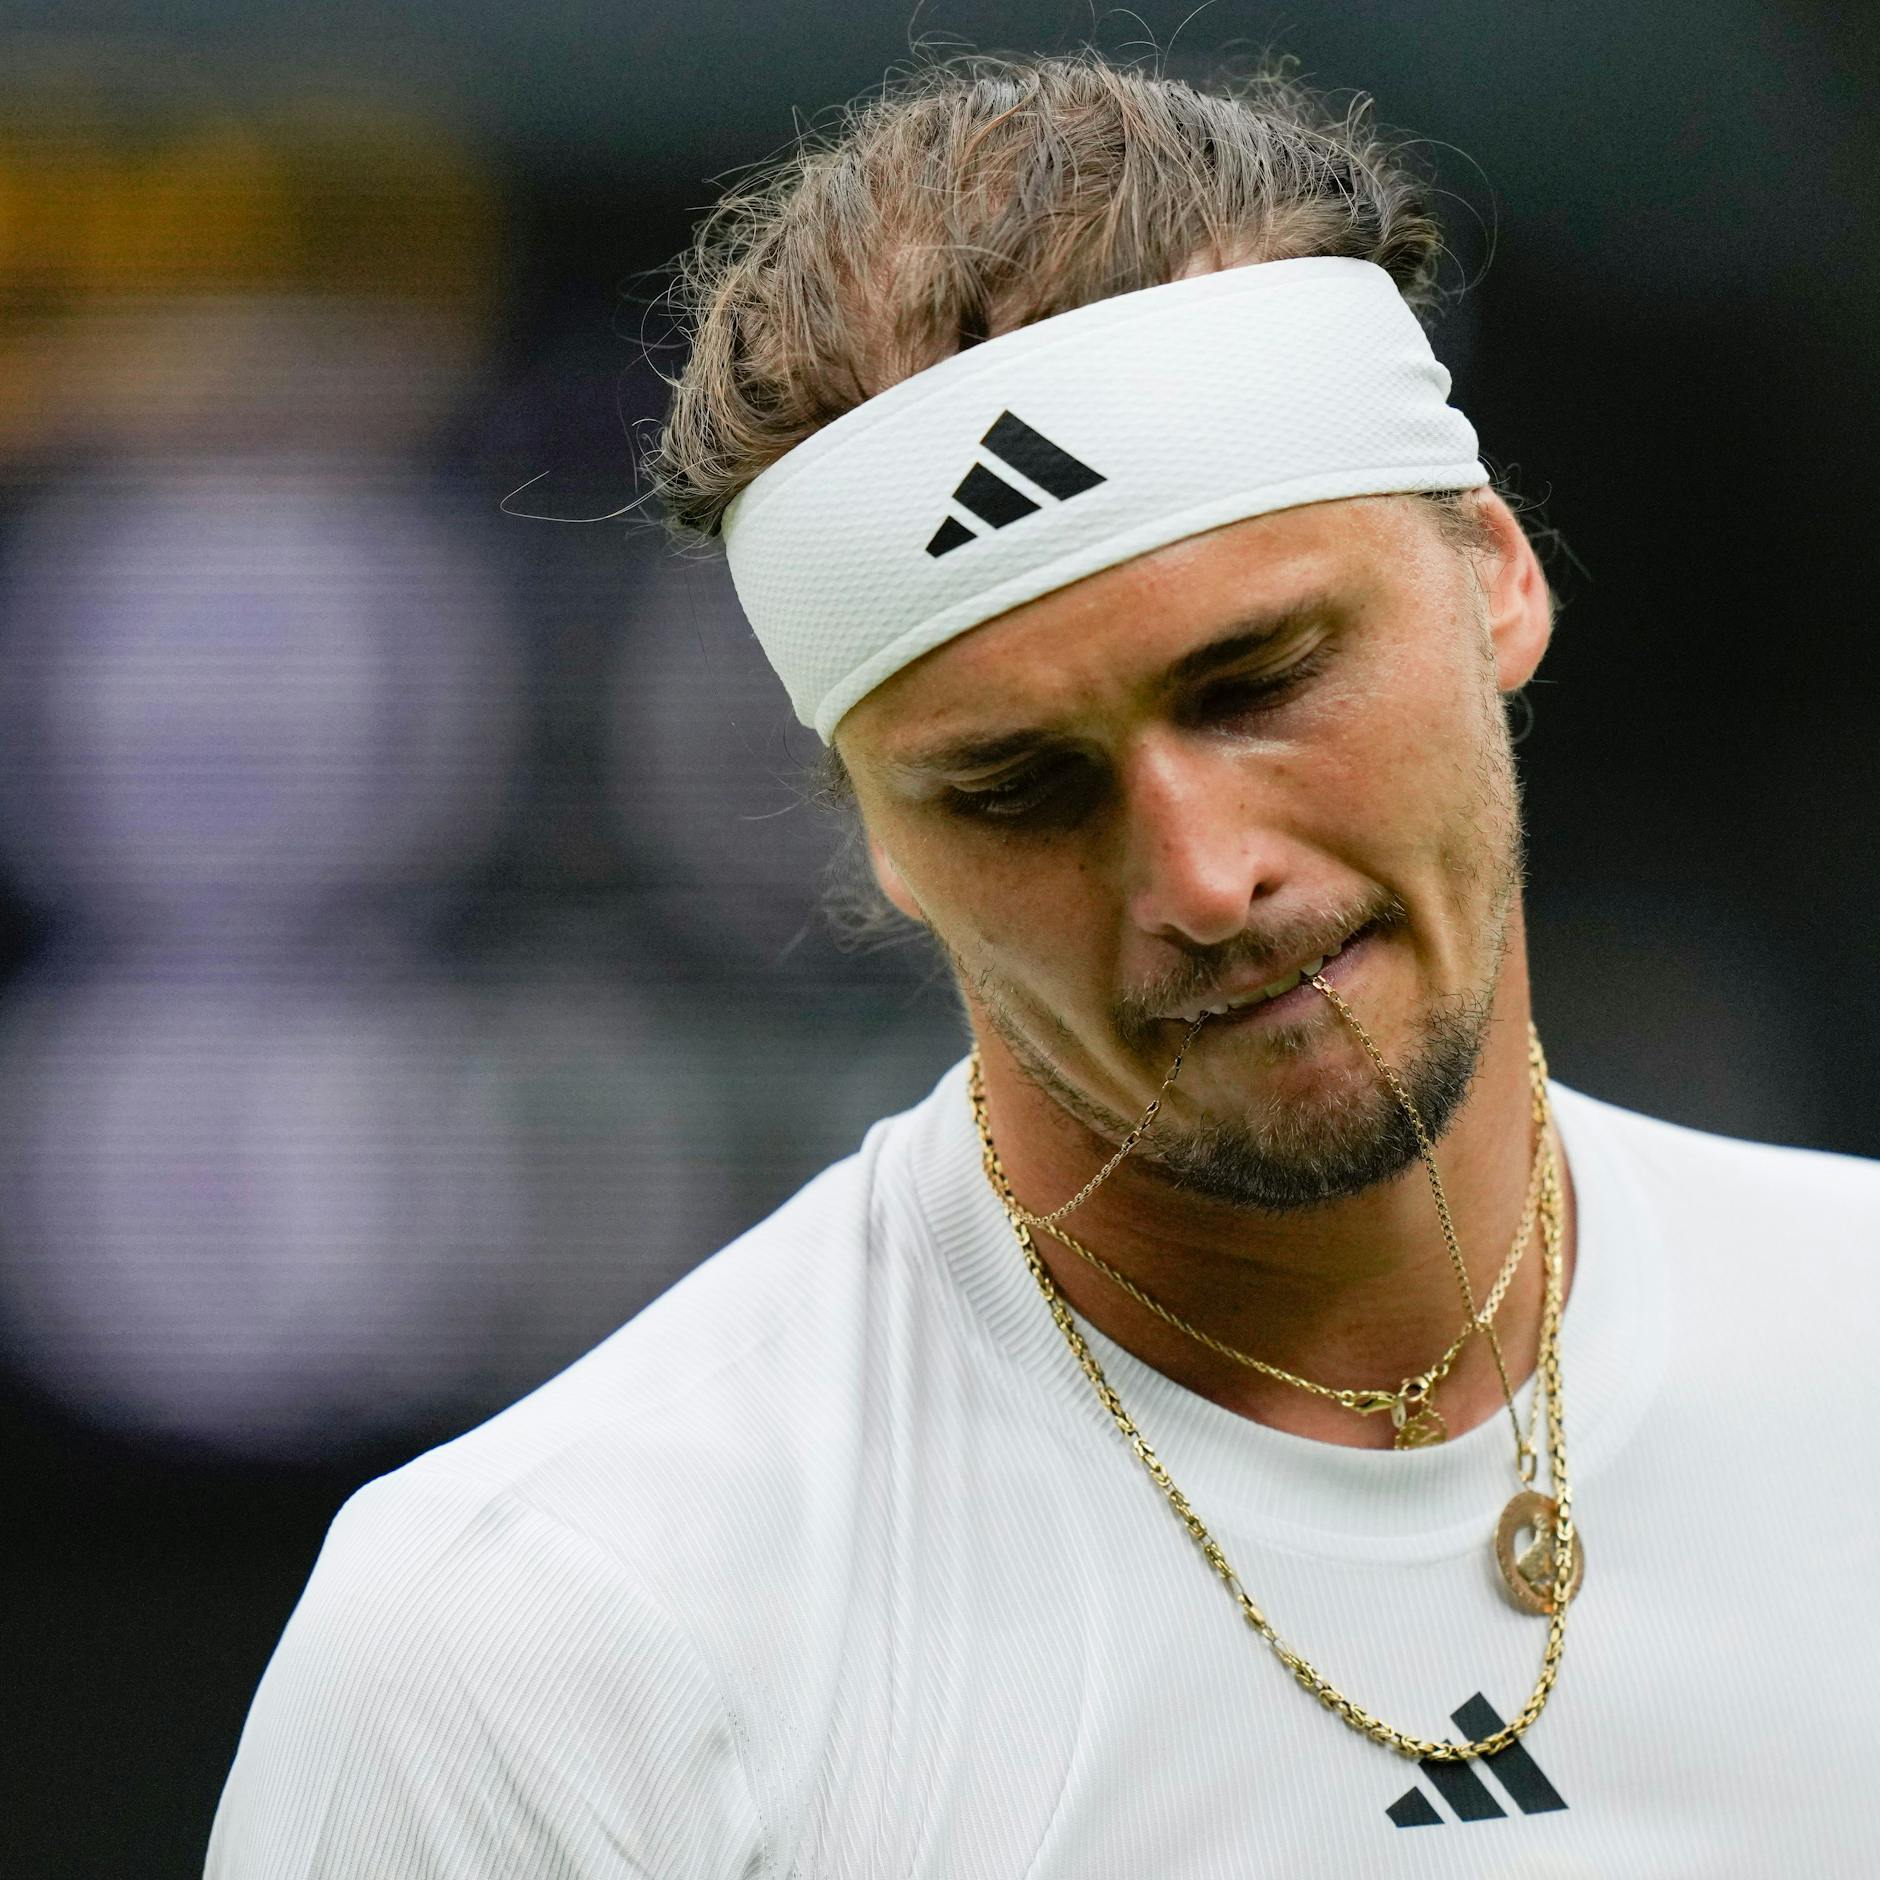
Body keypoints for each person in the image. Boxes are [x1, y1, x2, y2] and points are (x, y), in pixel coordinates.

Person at [207, 54, 1880, 1878]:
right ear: (878, 839)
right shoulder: (532, 1656)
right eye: (1017, 788)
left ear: (1495, 575)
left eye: (1260, 680)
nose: (1205, 879)